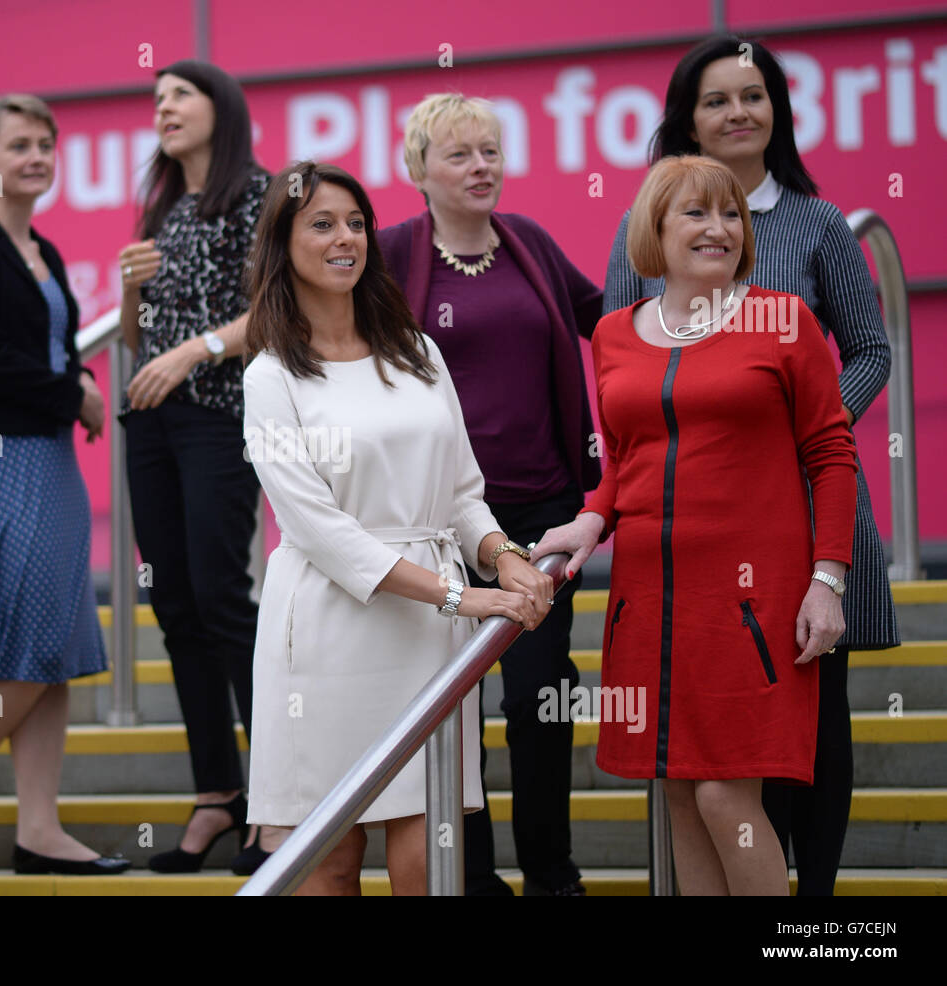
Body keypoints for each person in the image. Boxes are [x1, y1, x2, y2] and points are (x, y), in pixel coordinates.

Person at [602, 36, 899, 895]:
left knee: (809, 733)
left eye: (755, 95)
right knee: (700, 775)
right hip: (682, 544)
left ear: (778, 111)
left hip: (806, 519)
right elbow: (634, 378)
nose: (738, 112)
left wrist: (797, 427)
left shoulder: (817, 224)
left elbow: (870, 350)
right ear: (685, 119)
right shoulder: (648, 226)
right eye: (717, 99)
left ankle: (812, 913)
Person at [535, 155, 857, 895]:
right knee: (679, 791)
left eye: (732, 215)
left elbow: (831, 454)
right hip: (648, 598)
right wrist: (592, 519)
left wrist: (827, 579)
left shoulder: (785, 320)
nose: (719, 229)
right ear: (654, 229)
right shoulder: (615, 334)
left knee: (723, 793)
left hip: (751, 600)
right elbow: (627, 458)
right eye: (696, 213)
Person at [243, 161, 553, 895]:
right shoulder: (269, 375)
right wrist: (460, 596)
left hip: (424, 643)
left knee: (428, 864)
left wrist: (504, 558)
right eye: (322, 224)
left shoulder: (418, 352)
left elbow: (461, 494)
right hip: (325, 634)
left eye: (356, 222)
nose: (345, 237)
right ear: (283, 244)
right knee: (332, 863)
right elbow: (318, 531)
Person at [376, 93, 602, 896]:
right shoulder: (391, 253)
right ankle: (470, 872)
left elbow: (610, 321)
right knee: (454, 701)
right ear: (419, 171)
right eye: (460, 154)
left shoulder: (529, 243)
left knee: (541, 691)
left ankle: (549, 865)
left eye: (491, 152)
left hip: (541, 517)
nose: (481, 167)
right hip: (439, 522)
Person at [0, 94, 126, 875]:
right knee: (22, 648)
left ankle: (39, 830)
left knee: (60, 649)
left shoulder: (41, 247)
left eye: (46, 144)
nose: (36, 156)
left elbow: (48, 350)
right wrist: (73, 391)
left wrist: (70, 382)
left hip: (53, 461)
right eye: (19, 146)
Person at [115, 60, 270, 874]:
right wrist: (131, 290)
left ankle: (274, 798)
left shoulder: (263, 193)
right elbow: (140, 342)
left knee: (219, 595)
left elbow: (278, 303)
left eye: (180, 94)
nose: (163, 108)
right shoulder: (164, 205)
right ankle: (218, 793)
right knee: (173, 602)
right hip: (153, 419)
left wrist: (196, 350)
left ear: (222, 105)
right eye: (157, 98)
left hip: (223, 413)